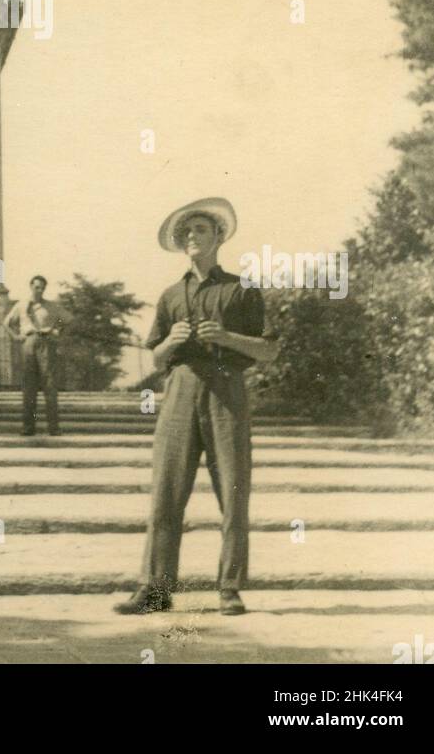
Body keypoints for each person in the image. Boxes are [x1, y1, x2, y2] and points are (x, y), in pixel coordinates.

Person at [115, 198, 277, 618]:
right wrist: (171, 342)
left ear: (218, 236)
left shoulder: (242, 290)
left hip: (227, 392)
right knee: (165, 491)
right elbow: (156, 357)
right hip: (180, 390)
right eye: (185, 232)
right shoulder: (171, 295)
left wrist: (226, 338)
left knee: (234, 490)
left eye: (201, 229)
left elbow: (268, 350)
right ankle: (156, 588)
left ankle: (230, 587)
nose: (192, 236)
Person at [4, 276, 64, 437]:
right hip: (29, 341)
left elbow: (65, 321)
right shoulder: (21, 305)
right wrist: (16, 337)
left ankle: (54, 428)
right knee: (29, 386)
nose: (40, 290)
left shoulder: (51, 306)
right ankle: (28, 427)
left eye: (42, 288)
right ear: (31, 287)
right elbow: (6, 323)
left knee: (49, 385)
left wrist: (57, 332)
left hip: (46, 342)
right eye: (37, 287)